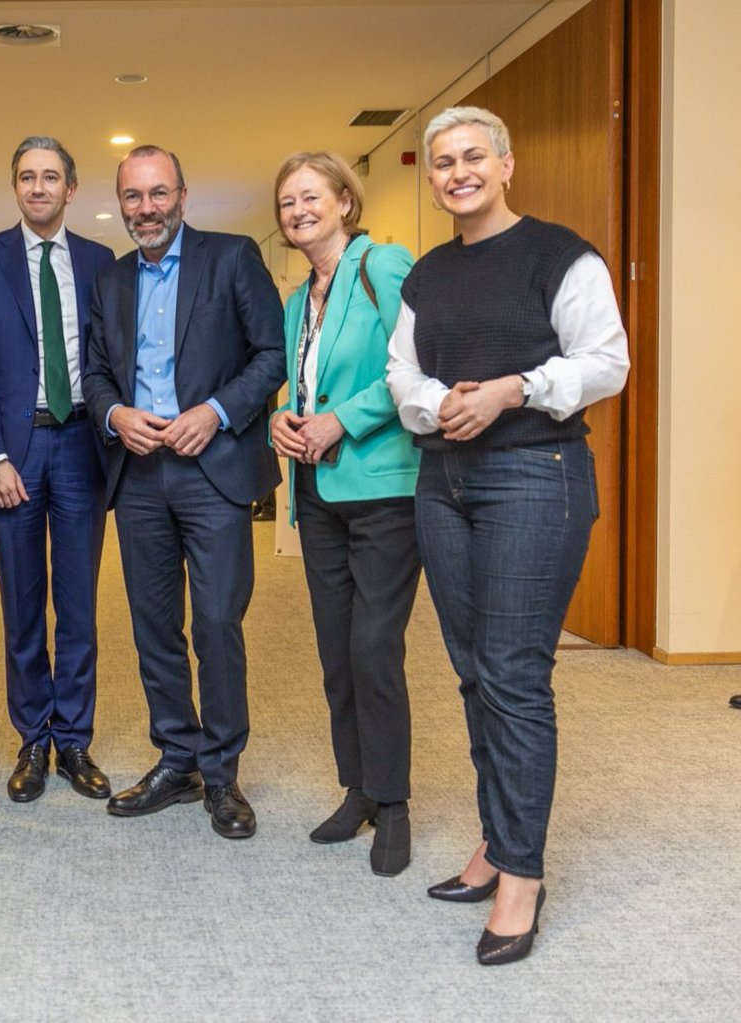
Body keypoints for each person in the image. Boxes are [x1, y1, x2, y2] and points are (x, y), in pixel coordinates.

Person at [387, 106, 629, 964]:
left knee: (516, 677)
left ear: (506, 164)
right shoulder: (427, 272)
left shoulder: (560, 254)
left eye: (472, 158)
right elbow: (402, 369)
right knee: (472, 672)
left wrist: (509, 390)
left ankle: (522, 871)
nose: (457, 172)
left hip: (536, 475)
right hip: (442, 478)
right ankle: (495, 840)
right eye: (443, 161)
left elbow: (607, 359)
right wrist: (438, 404)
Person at [85, 145, 285, 839]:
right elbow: (96, 373)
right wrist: (115, 414)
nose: (147, 207)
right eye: (133, 196)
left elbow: (271, 355)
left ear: (182, 195)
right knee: (153, 625)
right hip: (140, 473)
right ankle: (177, 757)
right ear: (122, 202)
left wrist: (216, 411)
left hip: (213, 466)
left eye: (158, 193)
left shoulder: (231, 258)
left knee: (218, 622)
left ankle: (224, 774)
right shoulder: (110, 281)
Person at [268, 152, 420, 875]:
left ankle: (393, 803)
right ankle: (356, 787)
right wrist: (284, 419)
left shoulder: (382, 267)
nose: (298, 210)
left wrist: (341, 421)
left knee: (373, 646)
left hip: (385, 489)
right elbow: (299, 387)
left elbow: (415, 366)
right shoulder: (298, 301)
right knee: (336, 649)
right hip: (317, 494)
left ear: (343, 202)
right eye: (286, 202)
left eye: (310, 197)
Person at [0, 137, 116, 803]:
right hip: (14, 457)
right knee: (22, 602)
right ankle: (33, 735)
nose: (38, 187)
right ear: (15, 187)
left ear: (71, 189)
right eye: (27, 176)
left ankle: (74, 737)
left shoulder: (100, 261)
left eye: (51, 177)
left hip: (83, 444)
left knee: (78, 601)